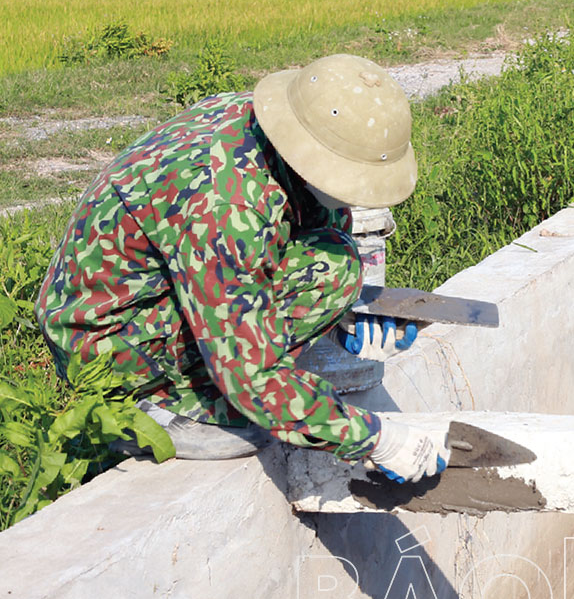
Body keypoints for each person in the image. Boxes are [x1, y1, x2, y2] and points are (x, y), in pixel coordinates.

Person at [35, 54, 449, 484]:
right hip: (107, 340)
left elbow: (304, 222)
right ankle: (161, 405)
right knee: (252, 392)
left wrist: (340, 318)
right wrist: (375, 439)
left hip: (163, 286)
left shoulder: (269, 126)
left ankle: (220, 377)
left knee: (335, 266)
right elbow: (251, 373)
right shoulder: (228, 208)